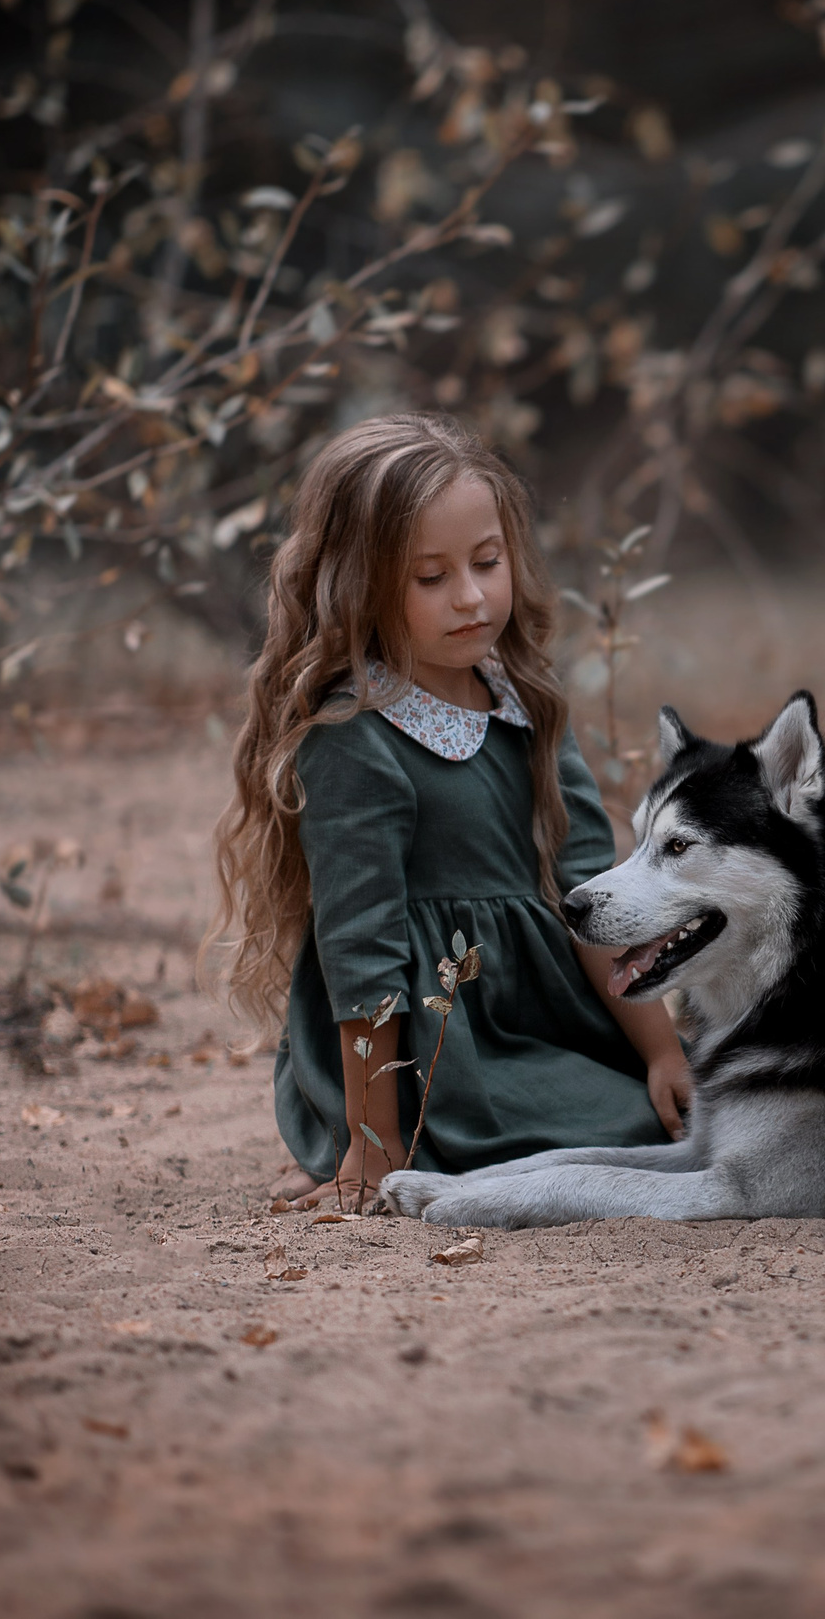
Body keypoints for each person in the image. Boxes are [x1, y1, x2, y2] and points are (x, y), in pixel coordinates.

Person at [210, 413, 690, 1213]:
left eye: (487, 562)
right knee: (619, 1148)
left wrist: (663, 1050)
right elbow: (361, 952)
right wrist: (373, 1145)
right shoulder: (355, 740)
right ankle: (355, 1138)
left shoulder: (526, 704)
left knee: (664, 1117)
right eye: (429, 578)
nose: (470, 598)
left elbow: (591, 901)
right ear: (359, 586)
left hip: (548, 1017)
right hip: (434, 1051)